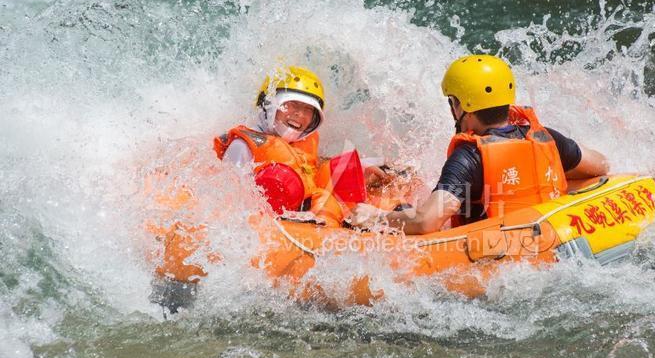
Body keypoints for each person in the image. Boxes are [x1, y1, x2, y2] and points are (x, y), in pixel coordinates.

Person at [349, 54, 609, 234]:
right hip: (548, 239)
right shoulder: (545, 138)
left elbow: (428, 221)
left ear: (462, 106)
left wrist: (377, 217)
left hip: (494, 258)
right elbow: (600, 165)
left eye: (452, 101)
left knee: (397, 207)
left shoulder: (469, 157)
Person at [214, 65, 345, 226]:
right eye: (293, 104)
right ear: (269, 105)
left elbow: (311, 172)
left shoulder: (300, 145)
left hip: (304, 223)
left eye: (308, 109)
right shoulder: (242, 147)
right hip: (266, 229)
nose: (300, 114)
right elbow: (228, 204)